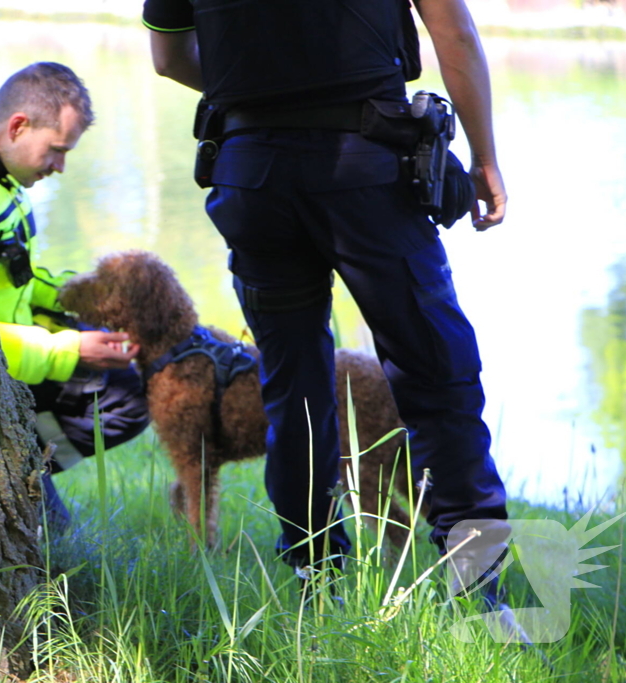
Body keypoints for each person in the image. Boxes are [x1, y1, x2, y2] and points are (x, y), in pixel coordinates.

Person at [142, 0, 514, 599]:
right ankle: (482, 595)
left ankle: (317, 581)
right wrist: (486, 159)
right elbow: (455, 33)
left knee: (293, 387)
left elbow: (169, 57)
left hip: (252, 174)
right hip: (369, 172)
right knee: (438, 374)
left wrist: (267, 92)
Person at [0, 62, 150, 526]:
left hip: (18, 363)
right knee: (57, 534)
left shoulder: (4, 182)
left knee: (131, 393)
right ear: (18, 126)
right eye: (56, 150)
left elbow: (18, 279)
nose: (60, 166)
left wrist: (87, 301)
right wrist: (71, 350)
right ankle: (17, 472)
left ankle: (26, 459)